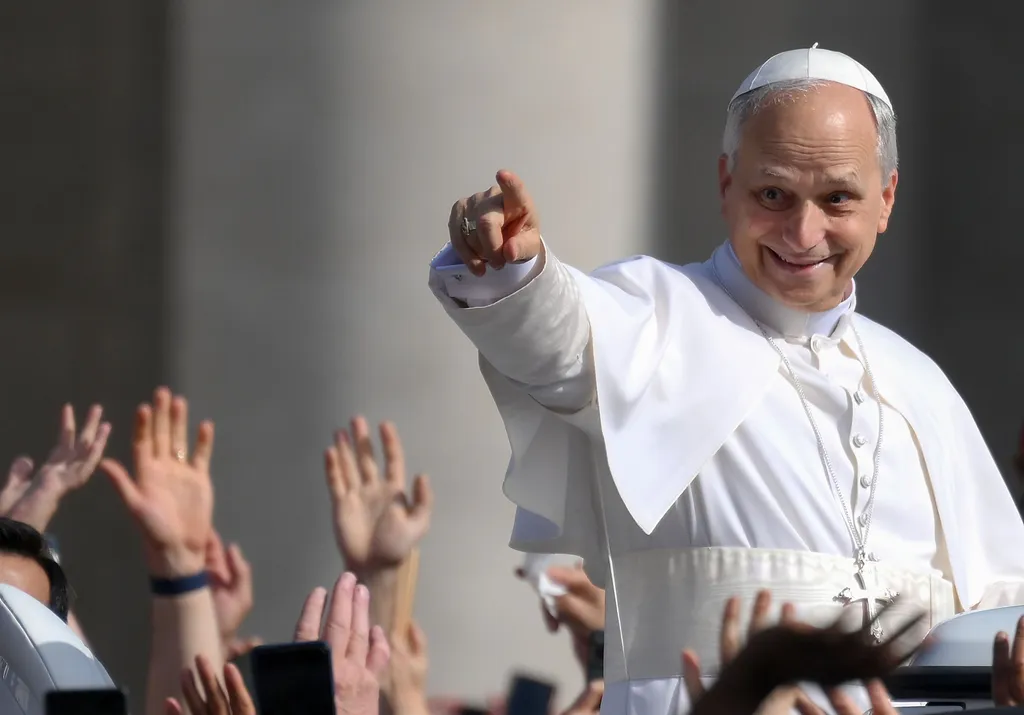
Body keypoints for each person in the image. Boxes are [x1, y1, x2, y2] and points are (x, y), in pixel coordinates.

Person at [429, 44, 1024, 714]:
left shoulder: (922, 385)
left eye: (837, 198)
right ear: (724, 183)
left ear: (885, 199)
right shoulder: (656, 313)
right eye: (773, 194)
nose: (803, 232)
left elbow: (1001, 606)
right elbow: (560, 342)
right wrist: (513, 267)